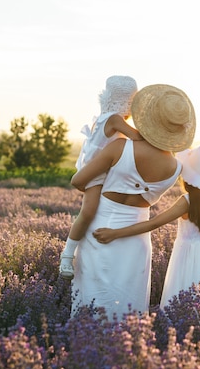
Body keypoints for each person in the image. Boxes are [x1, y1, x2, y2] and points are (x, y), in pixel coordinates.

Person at [69, 83, 196, 319]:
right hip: (137, 240)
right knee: (128, 303)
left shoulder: (120, 146)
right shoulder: (176, 167)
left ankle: (83, 346)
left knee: (91, 297)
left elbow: (78, 180)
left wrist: (99, 182)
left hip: (101, 228)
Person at [93, 145, 200, 309]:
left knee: (185, 292)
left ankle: (181, 330)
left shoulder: (188, 201)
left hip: (189, 253)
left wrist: (115, 233)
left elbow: (154, 223)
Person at [59, 75, 143, 279]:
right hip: (95, 171)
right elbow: (137, 137)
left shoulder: (106, 115)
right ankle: (67, 255)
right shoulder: (114, 118)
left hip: (100, 167)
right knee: (88, 211)